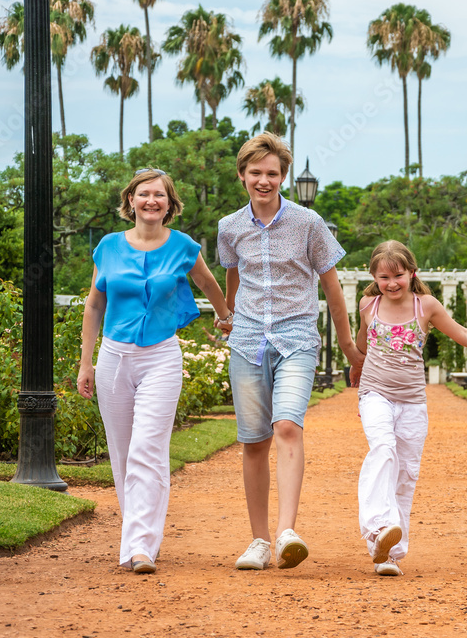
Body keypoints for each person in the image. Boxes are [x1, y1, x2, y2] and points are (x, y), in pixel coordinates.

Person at [218, 132, 365, 571]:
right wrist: (227, 315)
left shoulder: (308, 222)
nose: (264, 181)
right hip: (246, 341)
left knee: (286, 425)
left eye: (273, 174)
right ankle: (258, 541)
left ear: (283, 177)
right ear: (243, 175)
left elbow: (333, 288)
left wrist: (348, 347)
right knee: (253, 442)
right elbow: (233, 278)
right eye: (256, 173)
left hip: (297, 338)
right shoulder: (229, 227)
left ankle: (286, 533)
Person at [77, 168, 233, 575]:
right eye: (143, 194)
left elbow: (209, 282)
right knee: (123, 454)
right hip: (113, 358)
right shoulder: (109, 247)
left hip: (160, 357)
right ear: (130, 200)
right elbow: (94, 305)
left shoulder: (182, 245)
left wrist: (224, 315)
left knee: (147, 449)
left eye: (159, 195)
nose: (151, 201)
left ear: (169, 203)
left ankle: (141, 547)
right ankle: (137, 536)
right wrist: (85, 361)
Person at [351, 240, 467, 576]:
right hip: (375, 394)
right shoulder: (368, 304)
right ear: (374, 278)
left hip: (412, 402)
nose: (391, 283)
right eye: (384, 277)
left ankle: (387, 553)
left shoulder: (427, 306)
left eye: (398, 275)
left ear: (412, 273)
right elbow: (363, 340)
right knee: (383, 450)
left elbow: (463, 334)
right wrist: (355, 363)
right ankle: (378, 527)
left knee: (406, 474)